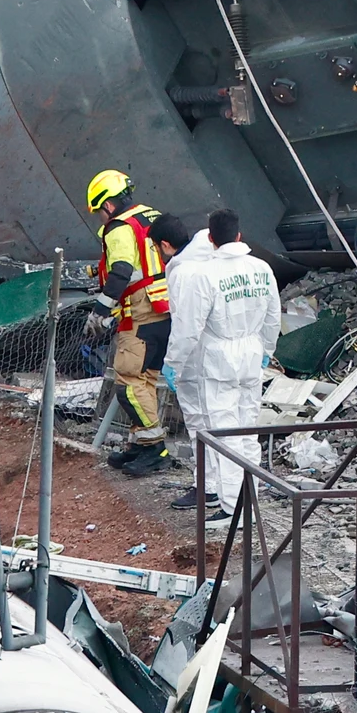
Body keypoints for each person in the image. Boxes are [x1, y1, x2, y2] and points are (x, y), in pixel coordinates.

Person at [164, 208, 280, 524]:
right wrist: (267, 349)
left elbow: (188, 327)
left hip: (219, 359)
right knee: (248, 429)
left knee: (224, 433)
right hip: (252, 353)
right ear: (239, 236)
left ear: (211, 239)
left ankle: (232, 508)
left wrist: (173, 362)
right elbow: (273, 316)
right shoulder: (261, 268)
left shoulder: (205, 275)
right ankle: (249, 499)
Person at [85, 169, 172, 476]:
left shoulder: (119, 227)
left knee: (129, 382)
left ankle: (155, 449)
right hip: (164, 307)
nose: (100, 217)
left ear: (108, 204)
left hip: (141, 311)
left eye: (99, 211)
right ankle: (139, 444)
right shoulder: (150, 215)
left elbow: (122, 269)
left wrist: (100, 310)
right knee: (145, 380)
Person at [149, 214, 216, 512]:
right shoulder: (209, 255)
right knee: (227, 424)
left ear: (165, 245)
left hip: (197, 358)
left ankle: (208, 488)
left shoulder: (182, 273)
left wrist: (172, 363)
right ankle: (228, 487)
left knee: (200, 424)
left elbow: (185, 327)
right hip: (226, 355)